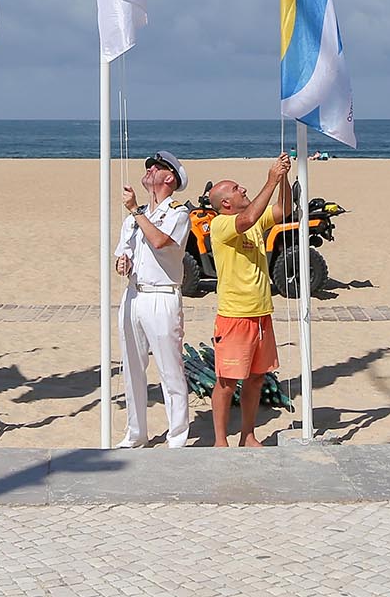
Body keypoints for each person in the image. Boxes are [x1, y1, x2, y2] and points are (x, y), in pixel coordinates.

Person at [206, 153, 292, 447]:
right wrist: (270, 179)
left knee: (256, 378)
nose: (242, 189)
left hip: (261, 315)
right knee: (227, 382)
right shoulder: (222, 224)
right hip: (234, 317)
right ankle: (220, 440)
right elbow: (249, 218)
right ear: (225, 203)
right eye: (236, 188)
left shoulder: (252, 220)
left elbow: (283, 210)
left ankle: (248, 435)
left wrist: (283, 180)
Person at [113, 151, 193, 448]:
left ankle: (177, 437)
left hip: (163, 296)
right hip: (135, 294)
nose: (148, 171)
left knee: (170, 370)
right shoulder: (135, 218)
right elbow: (125, 255)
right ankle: (136, 433)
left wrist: (135, 210)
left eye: (155, 168)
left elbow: (160, 242)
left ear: (169, 178)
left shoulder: (177, 213)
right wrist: (122, 264)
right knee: (132, 367)